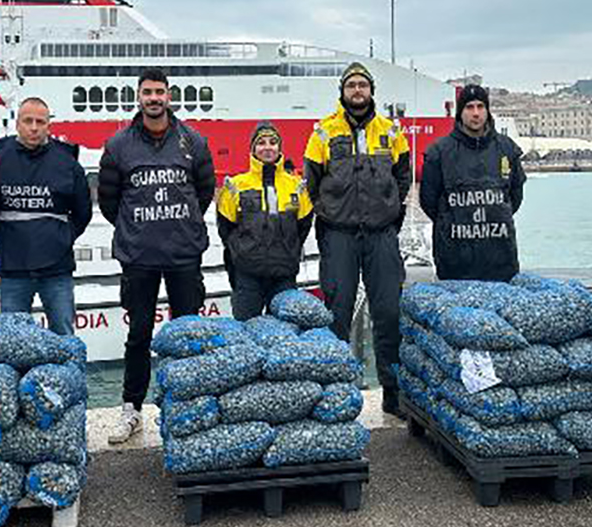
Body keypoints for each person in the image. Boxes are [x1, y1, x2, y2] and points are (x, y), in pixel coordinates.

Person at [98, 68, 215, 443]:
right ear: (139, 97)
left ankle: (188, 403)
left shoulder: (193, 142)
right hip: (139, 257)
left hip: (183, 255)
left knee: (188, 333)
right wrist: (138, 228)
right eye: (147, 92)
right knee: (138, 335)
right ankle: (131, 408)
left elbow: (204, 191)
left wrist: (177, 224)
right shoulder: (118, 146)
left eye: (159, 92)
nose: (154, 98)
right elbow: (109, 201)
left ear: (168, 96)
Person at [304, 61, 411, 416]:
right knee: (336, 313)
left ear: (372, 90)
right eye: (351, 86)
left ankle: (393, 393)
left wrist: (389, 213)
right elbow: (312, 183)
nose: (357, 91)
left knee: (388, 313)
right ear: (342, 91)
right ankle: (337, 394)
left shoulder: (390, 133)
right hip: (340, 236)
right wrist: (332, 213)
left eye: (363, 85)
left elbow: (403, 178)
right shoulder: (322, 133)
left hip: (381, 236)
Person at [0, 97, 92, 334]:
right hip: (13, 269)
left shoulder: (67, 164)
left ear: (48, 125)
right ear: (17, 123)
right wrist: (5, 243)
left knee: (63, 336)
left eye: (40, 121)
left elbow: (83, 212)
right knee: (12, 339)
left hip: (57, 269)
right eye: (28, 121)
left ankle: (66, 372)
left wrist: (63, 237)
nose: (33, 127)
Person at [419, 84, 527, 282]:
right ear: (460, 112)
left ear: (487, 110)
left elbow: (516, 196)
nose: (475, 113)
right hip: (454, 261)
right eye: (469, 107)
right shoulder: (439, 152)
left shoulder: (507, 148)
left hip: (501, 259)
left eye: (480, 106)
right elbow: (429, 202)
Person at [217, 121, 314, 320]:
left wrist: (289, 250)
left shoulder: (297, 186)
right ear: (253, 149)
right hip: (247, 275)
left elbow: (303, 225)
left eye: (273, 142)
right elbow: (226, 229)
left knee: (284, 335)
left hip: (284, 274)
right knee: (246, 333)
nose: (267, 147)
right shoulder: (236, 185)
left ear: (280, 148)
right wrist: (242, 253)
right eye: (261, 143)